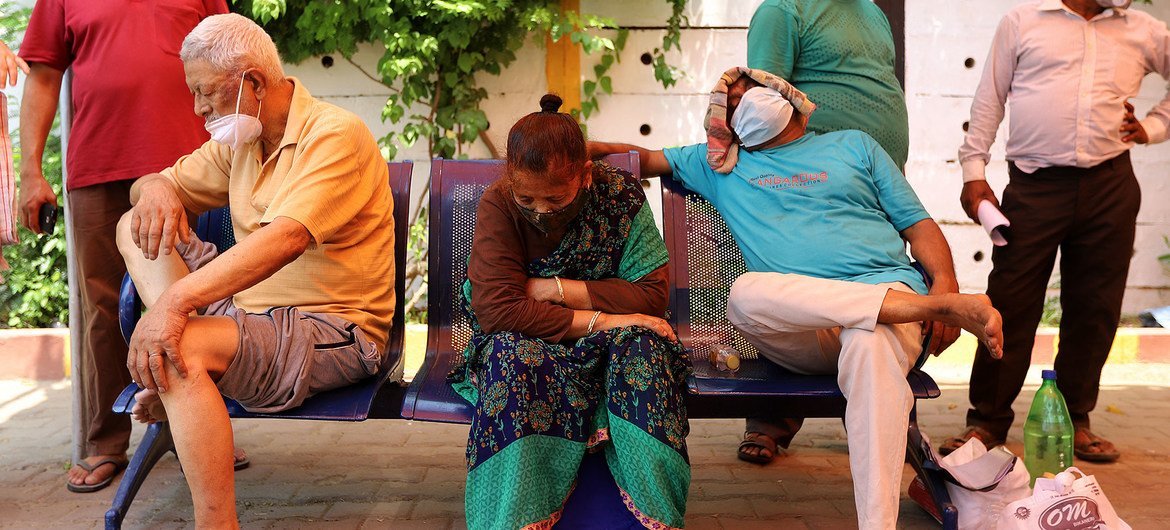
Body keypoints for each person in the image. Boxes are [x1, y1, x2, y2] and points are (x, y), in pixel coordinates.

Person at [589, 68, 1003, 529]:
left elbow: (918, 226)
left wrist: (944, 280)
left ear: (785, 96)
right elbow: (632, 158)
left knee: (869, 344)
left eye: (753, 91)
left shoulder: (856, 146)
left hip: (885, 310)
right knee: (745, 293)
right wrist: (567, 146)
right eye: (733, 101)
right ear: (725, 122)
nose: (745, 101)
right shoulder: (719, 164)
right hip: (803, 330)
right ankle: (928, 309)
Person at [117, 13, 396, 526]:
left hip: (333, 330)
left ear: (253, 83)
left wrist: (173, 306)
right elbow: (155, 186)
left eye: (205, 92)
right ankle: (177, 363)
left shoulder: (336, 134)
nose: (199, 109)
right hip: (248, 313)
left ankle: (216, 521)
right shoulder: (240, 140)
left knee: (180, 347)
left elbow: (284, 240)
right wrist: (155, 188)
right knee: (135, 221)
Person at [15, 0, 233, 492]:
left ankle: (202, 428)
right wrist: (31, 170)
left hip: (187, 170)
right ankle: (105, 442)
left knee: (194, 297)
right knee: (103, 306)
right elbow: (44, 75)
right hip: (99, 166)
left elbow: (226, 52)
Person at [450, 94, 691, 529]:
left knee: (646, 354)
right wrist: (608, 318)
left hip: (609, 338)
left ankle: (649, 520)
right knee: (511, 357)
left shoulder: (619, 197)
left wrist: (556, 289)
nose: (541, 211)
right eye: (529, 199)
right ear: (510, 179)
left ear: (584, 176)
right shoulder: (500, 204)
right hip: (529, 338)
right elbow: (499, 311)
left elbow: (651, 295)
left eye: (555, 199)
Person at [945, 0, 1170, 463]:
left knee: (1096, 307)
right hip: (1034, 185)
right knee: (1010, 300)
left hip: (1110, 183)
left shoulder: (1144, 30)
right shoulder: (1023, 21)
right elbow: (990, 97)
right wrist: (973, 171)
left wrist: (1153, 126)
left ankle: (1074, 419)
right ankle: (986, 422)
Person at [743, 0, 912, 465]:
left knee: (864, 297)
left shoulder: (872, 12)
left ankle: (867, 413)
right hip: (806, 190)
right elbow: (762, 99)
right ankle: (771, 418)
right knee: (804, 286)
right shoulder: (784, 10)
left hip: (868, 182)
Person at [747, 0, 908, 168]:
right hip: (816, 179)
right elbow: (763, 109)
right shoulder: (781, 9)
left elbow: (883, 84)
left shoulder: (875, 12)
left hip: (887, 176)